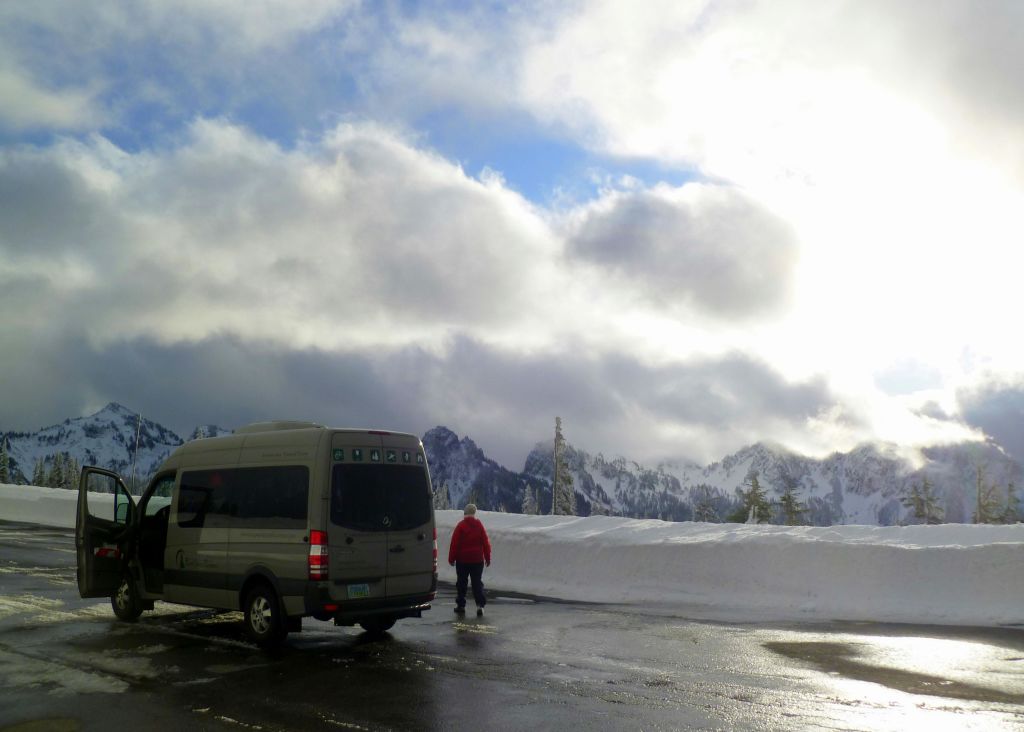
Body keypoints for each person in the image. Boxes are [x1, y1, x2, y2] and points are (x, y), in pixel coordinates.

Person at [447, 503, 491, 616]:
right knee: (477, 583)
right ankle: (480, 606)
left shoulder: (460, 526)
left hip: (463, 561)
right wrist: (487, 557)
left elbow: (454, 544)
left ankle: (461, 605)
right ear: (474, 513)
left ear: (465, 514)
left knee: (462, 582)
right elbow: (486, 543)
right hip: (477, 560)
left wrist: (451, 559)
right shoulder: (479, 525)